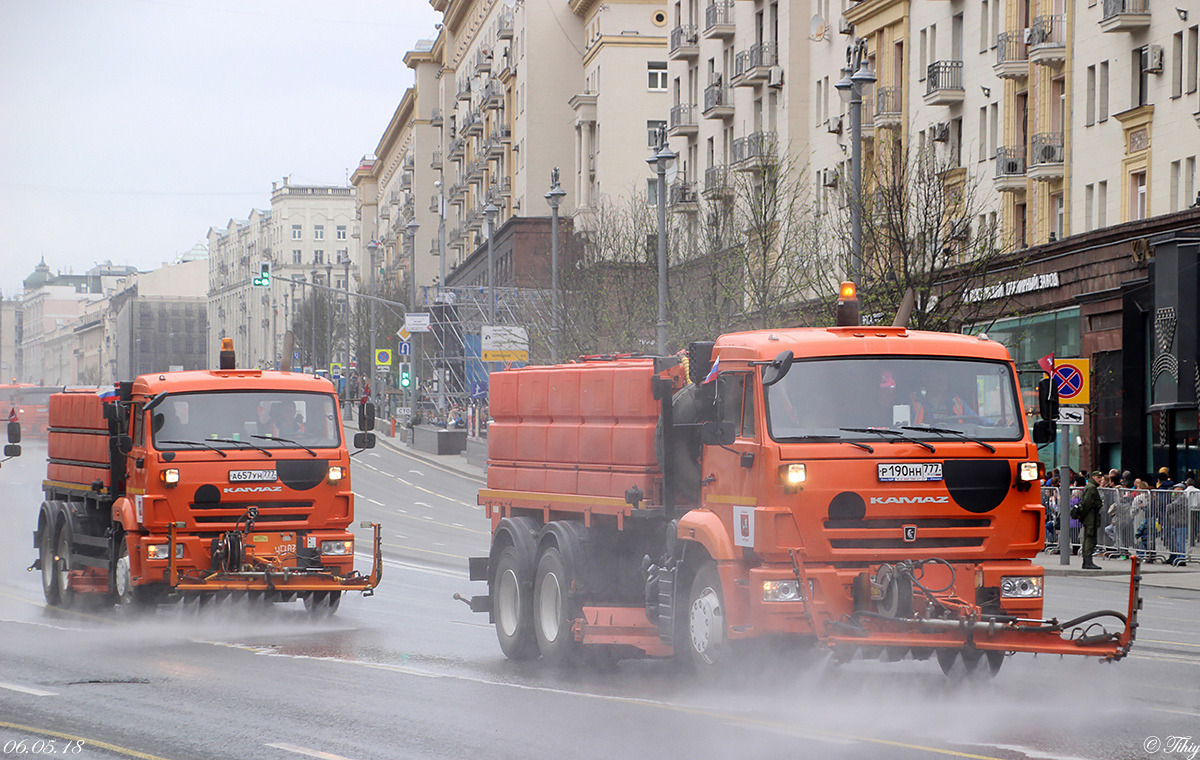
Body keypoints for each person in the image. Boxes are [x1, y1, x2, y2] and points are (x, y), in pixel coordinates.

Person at [1078, 470, 1104, 569]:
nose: (1100, 479)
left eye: (1101, 478)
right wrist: (1084, 515)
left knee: (1089, 538)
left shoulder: (1090, 487)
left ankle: (1087, 561)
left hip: (1090, 517)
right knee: (1090, 538)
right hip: (1090, 517)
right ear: (1093, 477)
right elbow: (1087, 504)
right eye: (1098, 478)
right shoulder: (1091, 488)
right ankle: (1087, 562)